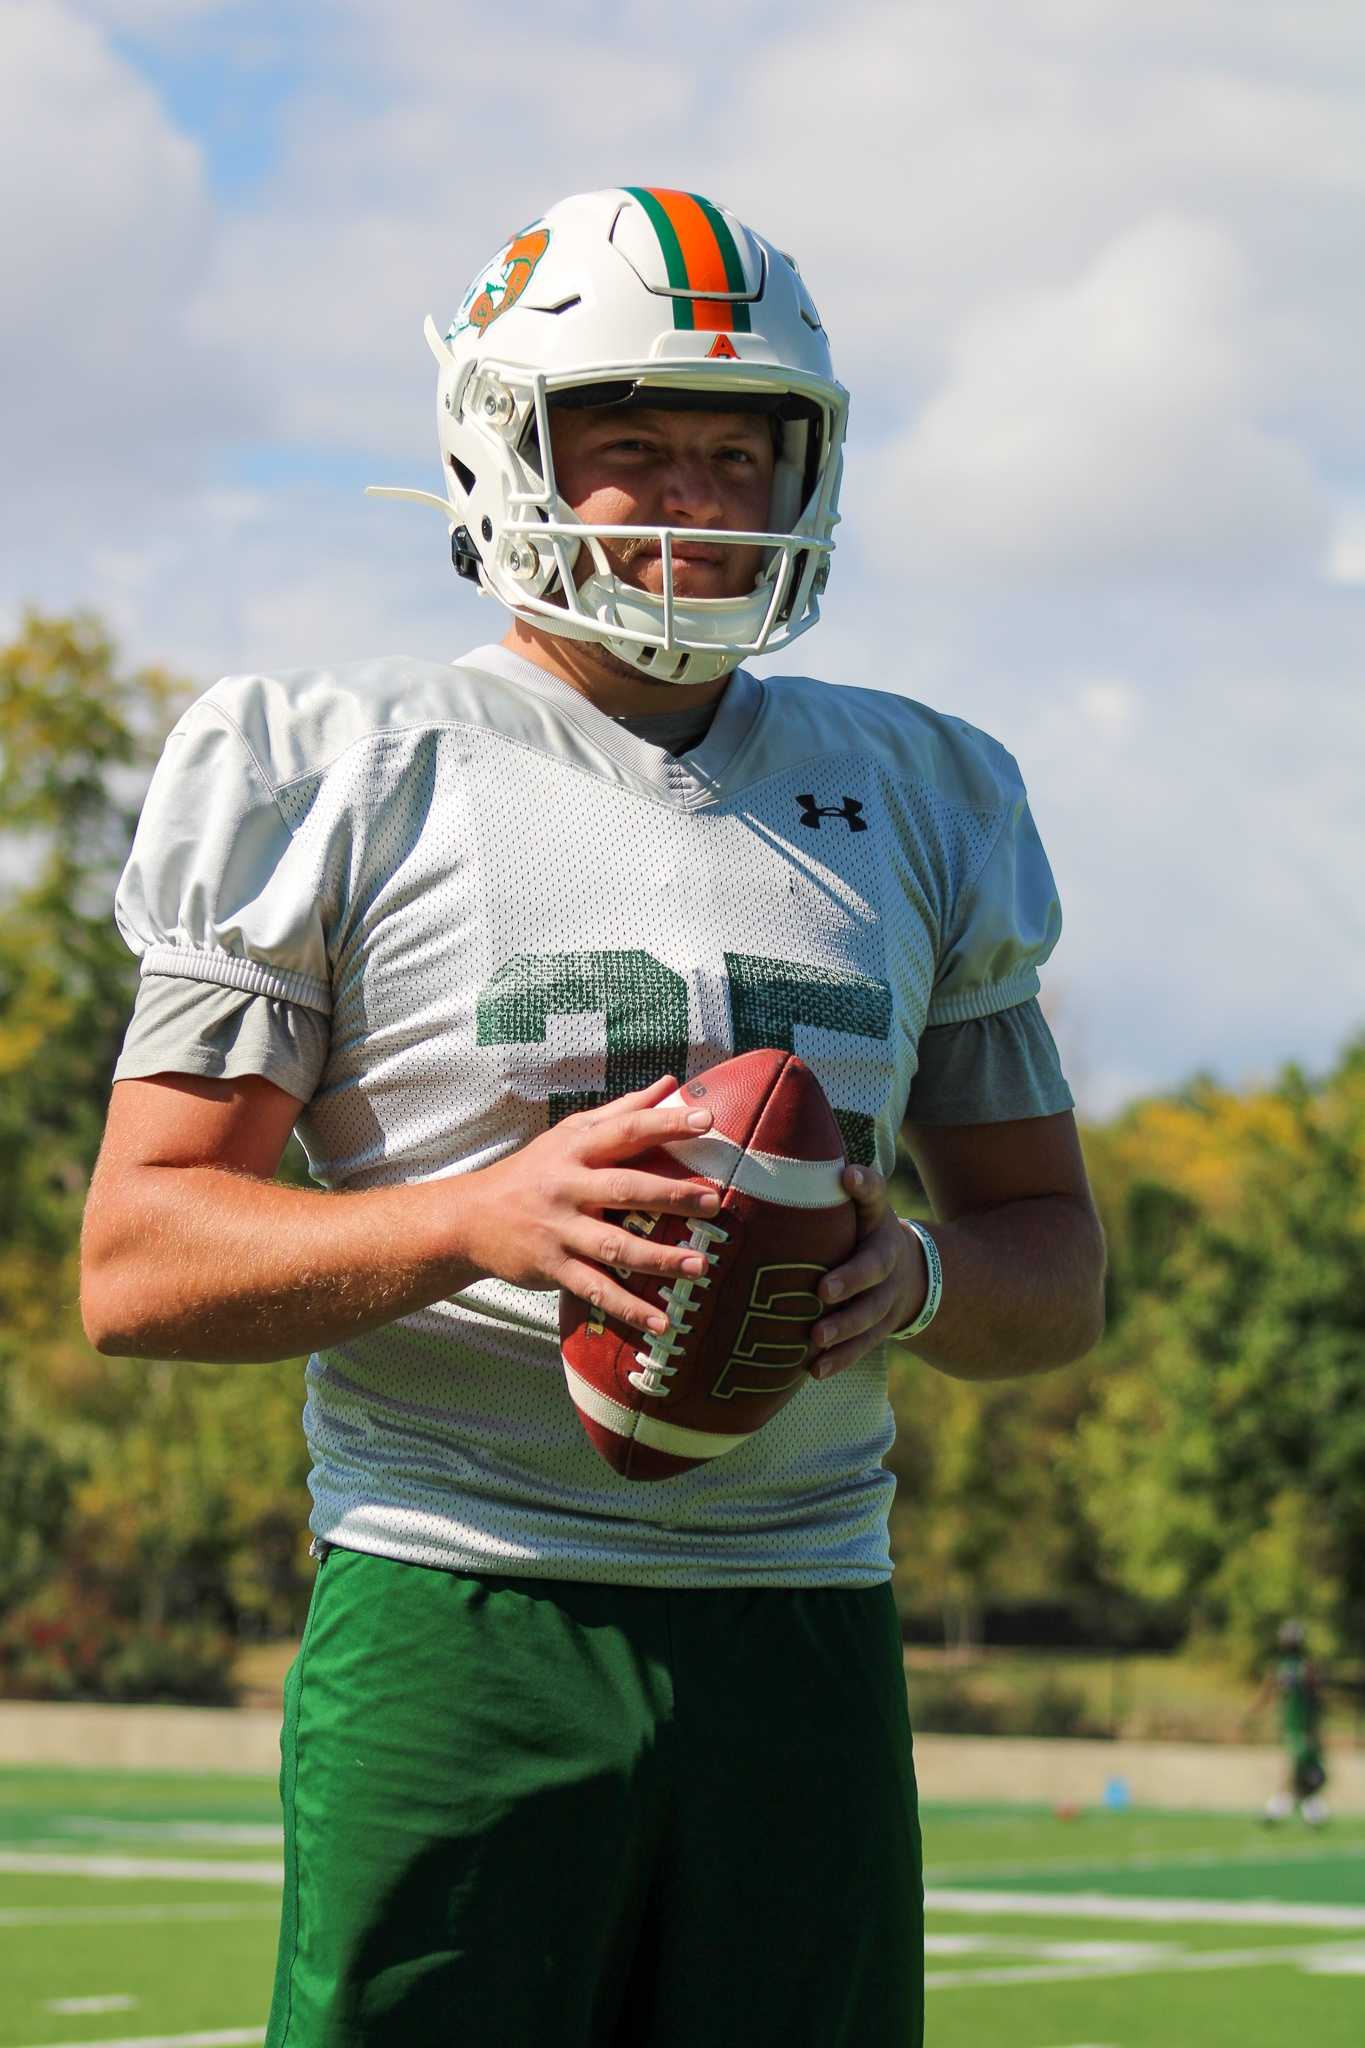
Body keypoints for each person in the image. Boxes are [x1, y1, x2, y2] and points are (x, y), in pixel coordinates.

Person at [80, 187, 1107, 2047]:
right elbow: (140, 1258)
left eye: (740, 448)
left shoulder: (929, 788)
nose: (699, 501)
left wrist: (928, 1277)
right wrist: (473, 1220)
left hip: (807, 1615)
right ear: (505, 444)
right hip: (455, 1605)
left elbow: (1057, 1267)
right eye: (634, 449)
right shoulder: (334, 764)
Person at [1252, 1620, 1330, 1825]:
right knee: (1297, 1768)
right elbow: (1268, 1692)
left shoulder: (1305, 1667)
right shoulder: (1282, 1666)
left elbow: (1316, 1698)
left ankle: (1284, 1807)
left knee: (1299, 1768)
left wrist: (1314, 1726)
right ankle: (1308, 1809)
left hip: (1302, 1725)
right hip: (1291, 1724)